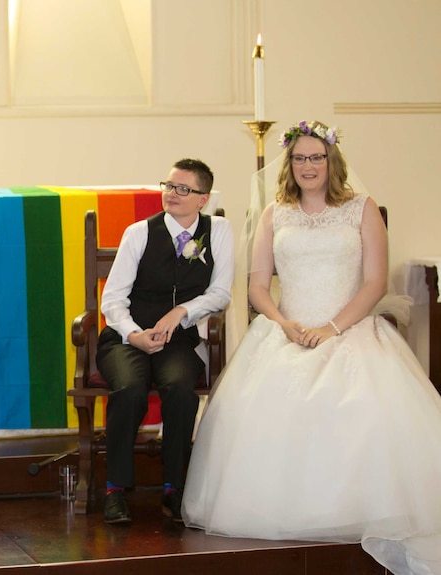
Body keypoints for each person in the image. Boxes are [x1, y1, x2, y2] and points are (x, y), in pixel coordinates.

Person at [182, 121, 441, 575]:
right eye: (299, 158)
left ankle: (358, 510)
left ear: (331, 160)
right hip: (287, 328)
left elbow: (376, 282)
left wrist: (333, 327)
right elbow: (258, 285)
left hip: (350, 327)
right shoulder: (274, 214)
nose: (307, 166)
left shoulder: (363, 209)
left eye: (316, 157)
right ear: (290, 163)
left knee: (365, 407)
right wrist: (283, 323)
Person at [96, 158, 235, 525]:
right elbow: (112, 299)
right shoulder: (139, 232)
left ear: (203, 198)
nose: (172, 194)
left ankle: (175, 488)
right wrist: (134, 334)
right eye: (169, 186)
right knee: (129, 388)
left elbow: (220, 293)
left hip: (179, 340)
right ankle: (115, 489)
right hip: (127, 336)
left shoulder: (218, 230)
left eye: (184, 189)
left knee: (179, 388)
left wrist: (181, 313)